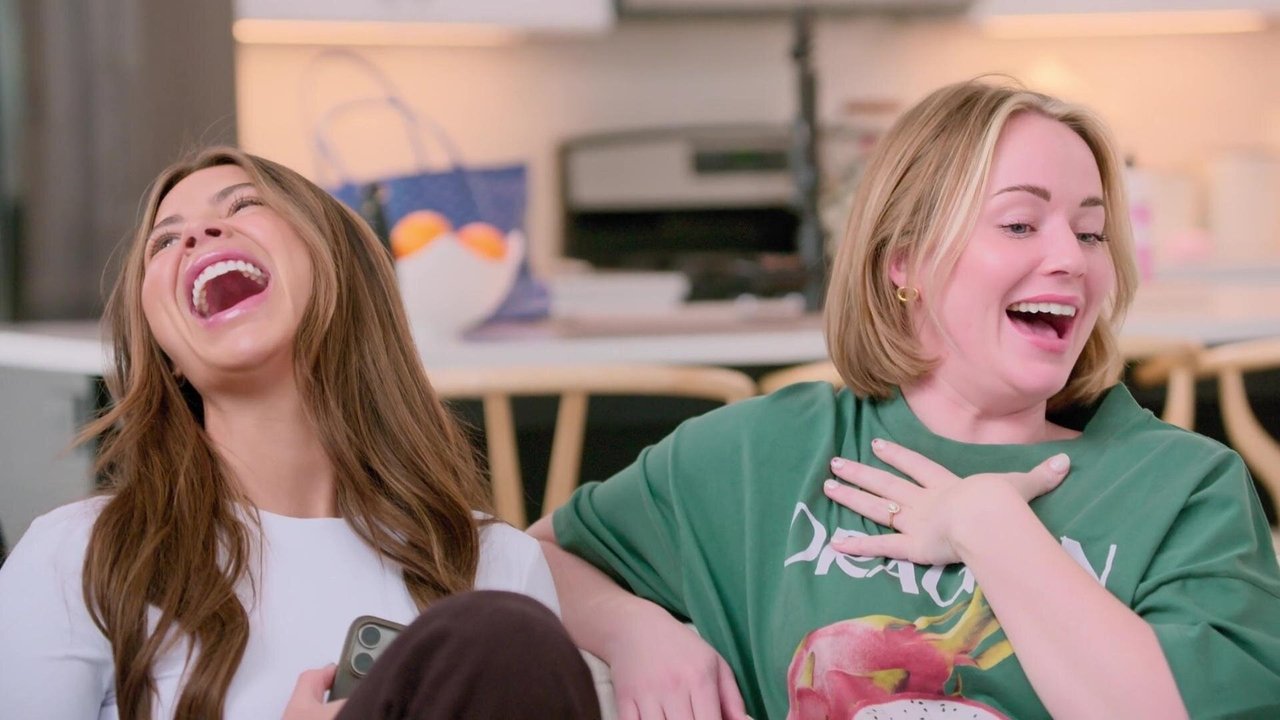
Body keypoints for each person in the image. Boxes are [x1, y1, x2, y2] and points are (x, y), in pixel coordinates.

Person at [530, 79, 1280, 720]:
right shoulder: (765, 456)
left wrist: (989, 526)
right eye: (1020, 224)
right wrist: (633, 631)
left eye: (1091, 233)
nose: (1071, 260)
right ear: (906, 262)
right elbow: (532, 557)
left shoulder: (1185, 489)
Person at [0, 147, 600, 720]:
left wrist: (636, 630)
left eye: (244, 204)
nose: (197, 233)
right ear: (168, 353)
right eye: (163, 240)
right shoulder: (78, 558)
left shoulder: (496, 566)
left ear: (341, 268)